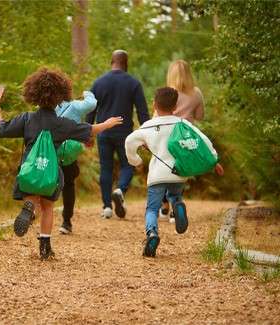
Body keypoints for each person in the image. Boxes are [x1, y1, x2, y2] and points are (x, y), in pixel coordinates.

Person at [0, 67, 122, 260]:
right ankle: (45, 248)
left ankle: (28, 206)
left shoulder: (27, 119)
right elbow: (88, 130)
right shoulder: (62, 123)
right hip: (51, 172)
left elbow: (2, 130)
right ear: (60, 97)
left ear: (33, 94)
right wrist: (107, 124)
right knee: (48, 207)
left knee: (33, 197)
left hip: (29, 171)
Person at [124, 87, 224, 257]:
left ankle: (152, 233)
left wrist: (136, 161)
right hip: (178, 173)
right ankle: (177, 205)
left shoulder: (148, 126)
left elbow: (129, 141)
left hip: (157, 174)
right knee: (175, 195)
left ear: (154, 105)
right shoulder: (182, 124)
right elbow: (203, 140)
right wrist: (214, 160)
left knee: (152, 209)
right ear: (176, 106)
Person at [86, 50, 150, 219]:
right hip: (125, 133)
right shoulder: (133, 83)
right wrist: (147, 135)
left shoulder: (99, 83)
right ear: (126, 63)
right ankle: (120, 190)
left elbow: (90, 109)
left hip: (103, 132)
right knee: (128, 165)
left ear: (111, 62)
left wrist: (87, 133)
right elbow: (142, 112)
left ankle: (107, 207)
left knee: (105, 168)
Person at [159, 59, 205, 222]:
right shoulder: (196, 93)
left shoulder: (166, 92)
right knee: (181, 170)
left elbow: (157, 114)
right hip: (185, 136)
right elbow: (200, 116)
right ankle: (174, 210)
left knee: (163, 168)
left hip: (166, 134)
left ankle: (164, 205)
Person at [55, 90, 97, 234]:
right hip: (68, 154)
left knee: (43, 182)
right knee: (68, 186)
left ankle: (33, 210)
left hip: (49, 151)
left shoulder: (48, 106)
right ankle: (66, 222)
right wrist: (88, 93)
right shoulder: (74, 106)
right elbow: (92, 104)